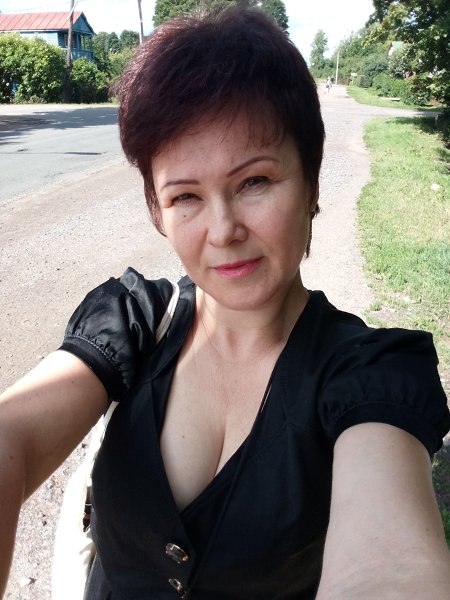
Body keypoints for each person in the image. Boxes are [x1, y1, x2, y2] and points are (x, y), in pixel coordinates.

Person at [1, 6, 449, 599]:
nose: (223, 230)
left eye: (254, 182)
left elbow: (391, 569)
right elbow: (13, 435)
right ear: (157, 211)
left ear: (311, 182)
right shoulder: (134, 322)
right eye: (185, 196)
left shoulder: (369, 375)